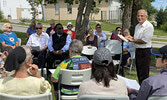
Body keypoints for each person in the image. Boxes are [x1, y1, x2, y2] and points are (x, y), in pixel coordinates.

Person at [126, 9, 154, 85]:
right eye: (138, 16)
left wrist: (133, 40)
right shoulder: (137, 26)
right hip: (138, 50)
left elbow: (144, 41)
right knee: (139, 71)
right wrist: (131, 38)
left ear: (146, 17)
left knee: (144, 73)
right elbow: (136, 39)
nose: (139, 17)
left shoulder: (149, 26)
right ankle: (141, 89)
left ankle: (145, 91)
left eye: (142, 16)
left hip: (145, 51)